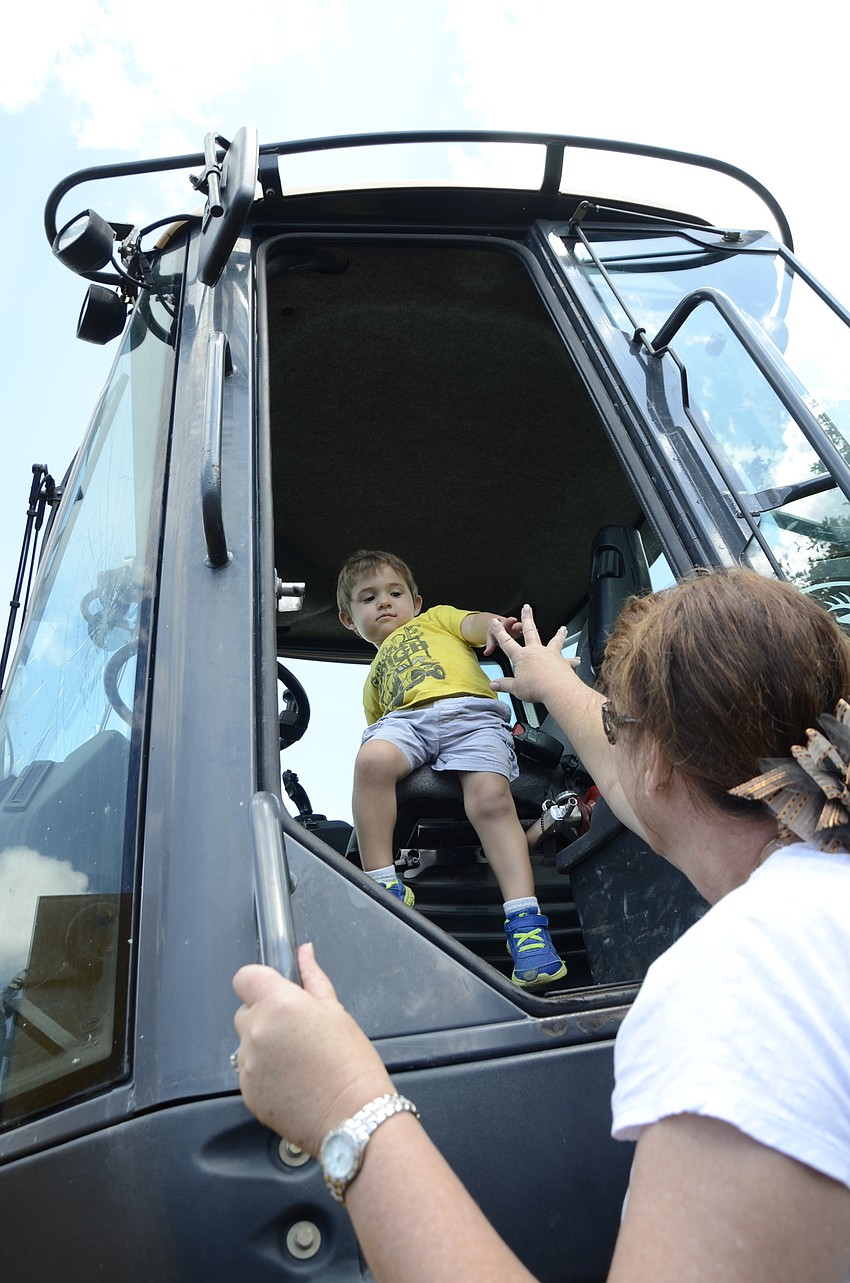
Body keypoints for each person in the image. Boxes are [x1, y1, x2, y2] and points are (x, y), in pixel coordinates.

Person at [233, 567, 850, 1282]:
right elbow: (630, 776)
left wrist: (347, 1109)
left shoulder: (745, 979)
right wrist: (552, 681)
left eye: (616, 725)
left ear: (654, 765)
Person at [334, 548, 567, 987]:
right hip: (405, 722)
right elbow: (379, 726)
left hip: (470, 715)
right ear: (349, 619)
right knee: (371, 761)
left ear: (415, 603)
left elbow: (472, 623)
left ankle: (526, 925)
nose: (384, 603)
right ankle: (382, 886)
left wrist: (497, 626)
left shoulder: (434, 619)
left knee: (491, 800)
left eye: (394, 593)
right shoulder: (373, 677)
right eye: (368, 599)